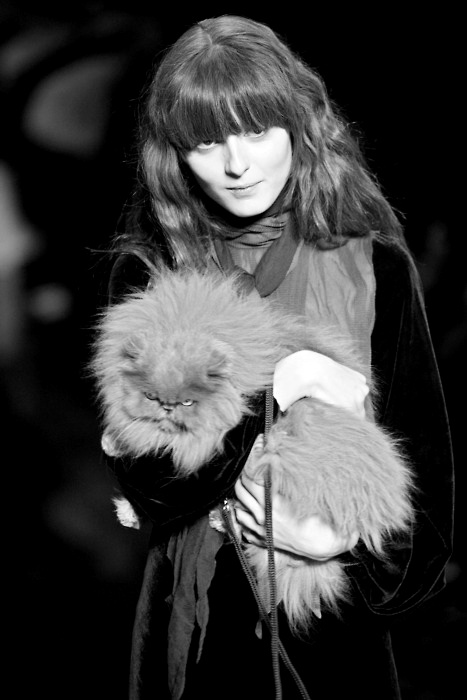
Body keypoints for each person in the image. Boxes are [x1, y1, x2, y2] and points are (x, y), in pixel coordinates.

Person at [97, 15, 454, 700]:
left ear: (298, 122)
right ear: (175, 154)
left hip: (332, 620)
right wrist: (276, 379)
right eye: (205, 141)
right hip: (198, 620)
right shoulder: (153, 268)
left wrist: (340, 546)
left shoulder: (371, 260)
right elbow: (155, 479)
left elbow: (426, 488)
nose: (236, 164)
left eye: (257, 131)